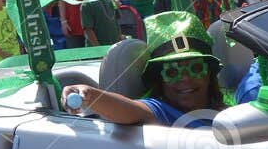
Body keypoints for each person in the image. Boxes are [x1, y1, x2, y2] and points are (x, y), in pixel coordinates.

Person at [61, 12, 226, 128]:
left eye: (195, 68)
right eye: (172, 72)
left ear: (209, 74)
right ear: (160, 80)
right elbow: (128, 109)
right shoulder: (160, 112)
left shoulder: (232, 112)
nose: (184, 78)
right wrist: (90, 94)